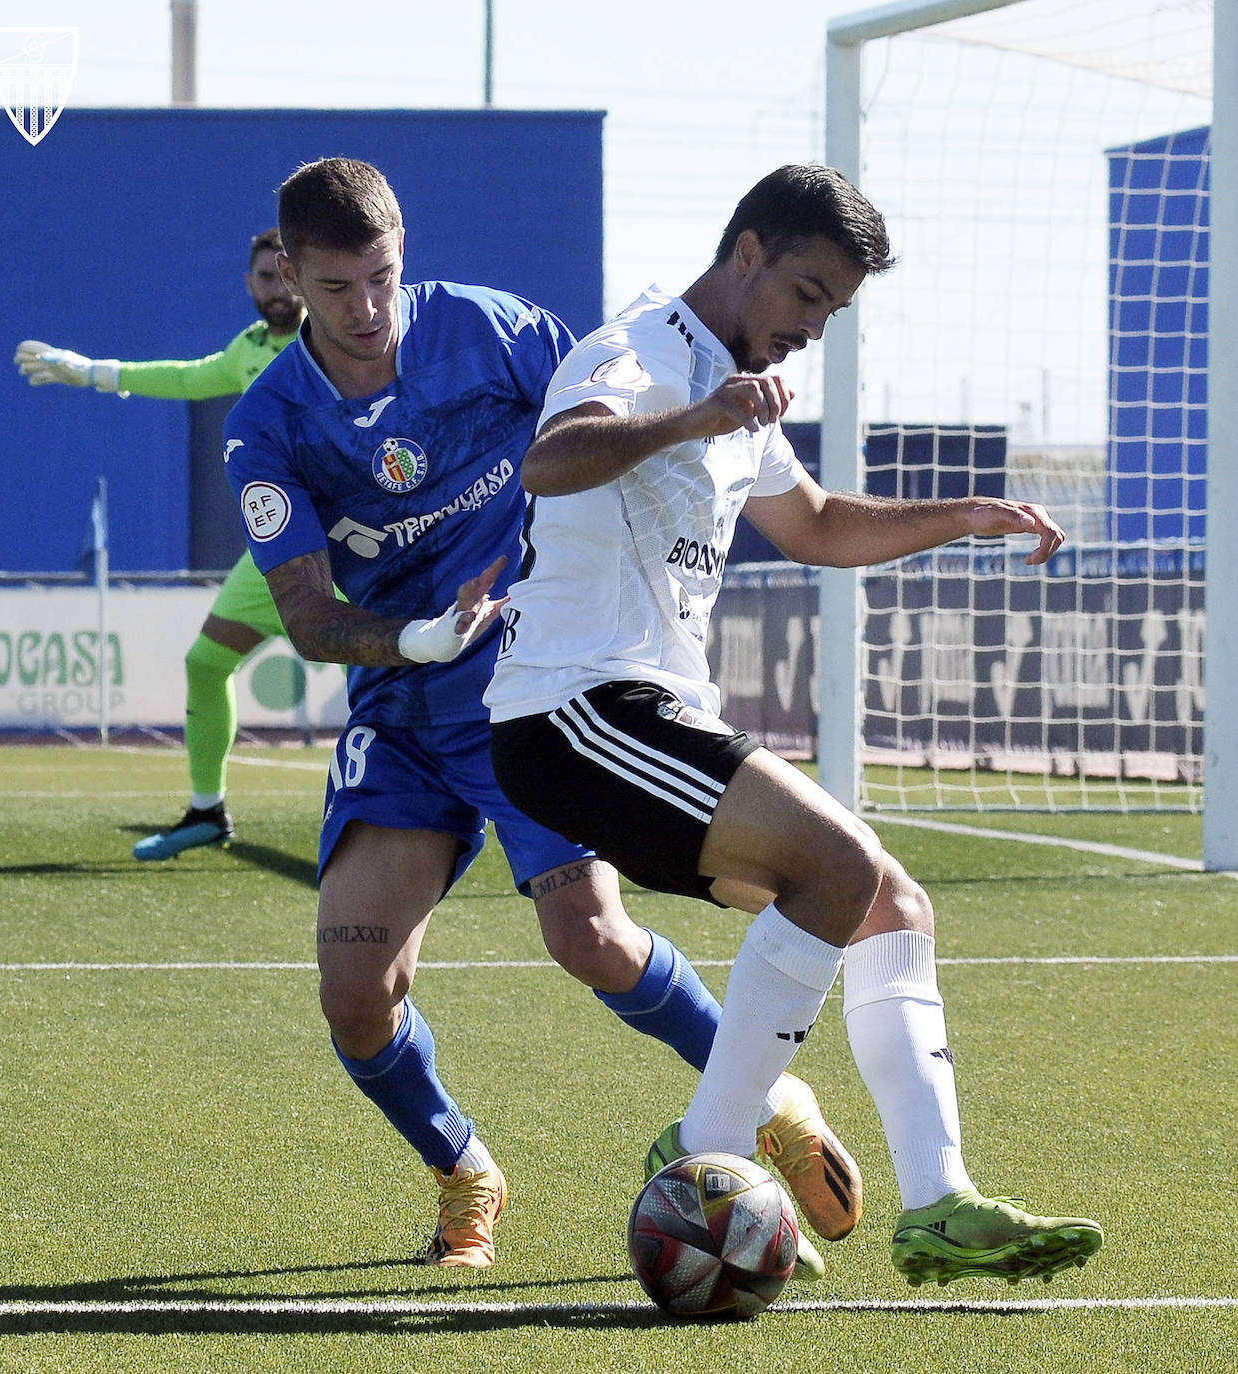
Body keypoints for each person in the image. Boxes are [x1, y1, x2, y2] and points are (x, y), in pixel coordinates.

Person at [221, 156, 862, 1272]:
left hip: (529, 690)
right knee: (355, 995)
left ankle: (771, 1104)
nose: (366, 311)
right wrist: (414, 638)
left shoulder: (492, 331)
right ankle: (462, 1167)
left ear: (402, 250)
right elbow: (312, 618)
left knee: (592, 938)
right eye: (335, 290)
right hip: (405, 703)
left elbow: (600, 416)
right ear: (288, 278)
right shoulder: (268, 427)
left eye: (381, 277)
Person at [486, 163, 1105, 1288]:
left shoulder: (742, 389)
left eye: (835, 309)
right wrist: (694, 416)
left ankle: (940, 1204)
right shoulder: (635, 352)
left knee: (886, 903)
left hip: (646, 713)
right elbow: (550, 460)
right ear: (747, 252)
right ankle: (706, 1151)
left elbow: (815, 525)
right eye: (807, 292)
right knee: (838, 863)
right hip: (571, 711)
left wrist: (959, 516)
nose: (814, 326)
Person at [14, 229, 306, 861]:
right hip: (272, 552)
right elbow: (186, 376)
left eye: (284, 275)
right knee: (205, 664)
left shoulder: (338, 341)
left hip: (347, 547)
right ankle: (207, 810)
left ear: (303, 274)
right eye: (263, 277)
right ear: (249, 284)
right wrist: (91, 372)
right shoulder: (249, 348)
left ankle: (480, 805)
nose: (275, 289)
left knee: (403, 673)